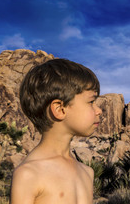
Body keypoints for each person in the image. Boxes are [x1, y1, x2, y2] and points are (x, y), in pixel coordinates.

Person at [10, 58, 102, 204]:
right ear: (60, 109)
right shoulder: (28, 175)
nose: (99, 110)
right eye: (91, 102)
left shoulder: (87, 172)